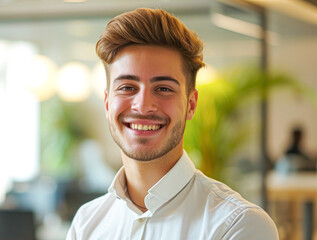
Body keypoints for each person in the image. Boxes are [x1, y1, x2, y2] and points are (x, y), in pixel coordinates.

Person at [66, 8, 278, 240]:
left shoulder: (239, 225)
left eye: (164, 89)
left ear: (191, 104)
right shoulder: (86, 223)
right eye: (127, 87)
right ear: (107, 104)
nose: (143, 105)